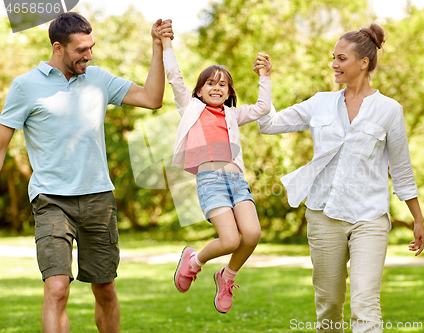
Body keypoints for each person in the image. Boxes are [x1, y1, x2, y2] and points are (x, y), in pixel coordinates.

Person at [0, 12, 173, 333]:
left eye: (91, 47)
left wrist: (157, 48)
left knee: (105, 289)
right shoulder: (25, 87)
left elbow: (152, 98)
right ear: (58, 48)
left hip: (98, 198)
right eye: (81, 50)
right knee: (56, 289)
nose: (89, 55)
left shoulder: (99, 79)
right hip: (51, 199)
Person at [254, 24, 424, 333]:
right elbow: (268, 124)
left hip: (369, 218)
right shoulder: (320, 102)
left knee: (365, 303)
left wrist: (417, 218)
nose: (334, 64)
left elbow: (401, 169)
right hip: (323, 215)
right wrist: (265, 80)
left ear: (363, 63)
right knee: (329, 307)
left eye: (341, 58)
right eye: (333, 57)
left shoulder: (389, 110)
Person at [155, 22, 272, 313]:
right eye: (211, 83)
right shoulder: (191, 108)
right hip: (210, 181)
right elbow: (174, 77)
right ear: (199, 90)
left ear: (229, 91)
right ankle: (194, 261)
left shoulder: (233, 115)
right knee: (230, 239)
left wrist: (264, 76)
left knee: (253, 234)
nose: (217, 87)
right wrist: (166, 43)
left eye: (223, 84)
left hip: (237, 181)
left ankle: (227, 276)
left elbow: (262, 108)